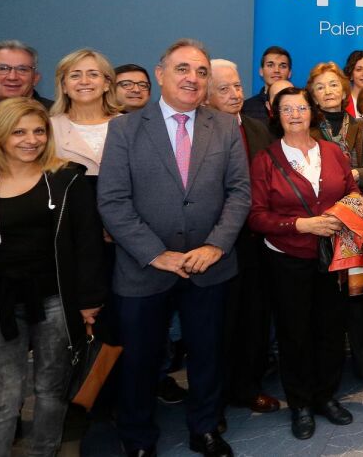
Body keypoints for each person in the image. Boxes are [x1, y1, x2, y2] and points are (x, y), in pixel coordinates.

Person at [98, 39, 250, 457]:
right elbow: (112, 201)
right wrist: (155, 254)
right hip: (144, 269)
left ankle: (205, 428)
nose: (193, 78)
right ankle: (138, 437)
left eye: (201, 72)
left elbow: (239, 193)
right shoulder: (125, 129)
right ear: (160, 74)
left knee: (208, 355)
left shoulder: (224, 127)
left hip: (209, 267)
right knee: (140, 360)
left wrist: (216, 246)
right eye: (183, 69)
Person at [0, 98, 105, 456]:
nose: (31, 140)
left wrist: (89, 301)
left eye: (38, 131)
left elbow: (87, 243)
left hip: (54, 301)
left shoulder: (66, 180)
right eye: (19, 132)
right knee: (1, 398)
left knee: (51, 391)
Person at [248, 87, 363, 439]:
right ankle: (300, 404)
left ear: (312, 112)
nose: (295, 115)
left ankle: (325, 396)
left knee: (330, 330)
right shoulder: (265, 160)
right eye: (287, 109)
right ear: (276, 115)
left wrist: (343, 215)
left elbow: (352, 193)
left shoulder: (332, 152)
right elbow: (256, 216)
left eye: (301, 108)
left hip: (332, 257)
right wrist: (301, 225)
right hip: (287, 260)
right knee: (294, 333)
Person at [204, 60, 279, 416]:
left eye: (237, 86)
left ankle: (248, 387)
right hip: (215, 242)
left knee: (254, 317)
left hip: (255, 241)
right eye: (224, 89)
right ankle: (213, 399)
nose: (235, 94)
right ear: (206, 96)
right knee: (217, 324)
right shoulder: (200, 133)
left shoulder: (257, 128)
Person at [50, 48, 120, 177]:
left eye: (93, 75)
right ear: (64, 86)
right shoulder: (49, 127)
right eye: (75, 76)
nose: (84, 81)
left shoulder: (129, 125)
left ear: (106, 84)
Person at [306, 61, 352, 155]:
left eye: (333, 85)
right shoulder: (306, 130)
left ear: (344, 93)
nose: (328, 92)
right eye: (320, 88)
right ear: (314, 98)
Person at [241, 46, 291, 122]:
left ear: (290, 73)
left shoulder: (301, 103)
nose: (276, 70)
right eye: (270, 65)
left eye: (283, 66)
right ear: (261, 71)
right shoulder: (246, 108)